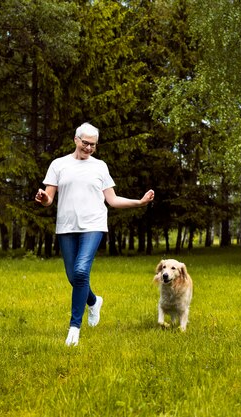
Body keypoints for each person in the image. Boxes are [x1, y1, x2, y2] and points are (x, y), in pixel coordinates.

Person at [35, 122, 155, 347]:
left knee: (81, 271)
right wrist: (44, 199)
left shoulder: (100, 167)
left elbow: (112, 199)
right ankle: (93, 300)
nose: (89, 148)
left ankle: (74, 328)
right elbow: (49, 198)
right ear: (76, 140)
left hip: (93, 225)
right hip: (66, 227)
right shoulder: (58, 165)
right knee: (74, 277)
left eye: (93, 145)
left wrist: (138, 202)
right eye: (86, 143)